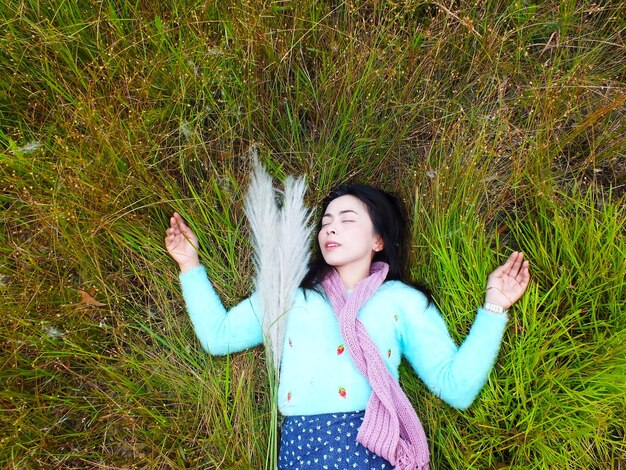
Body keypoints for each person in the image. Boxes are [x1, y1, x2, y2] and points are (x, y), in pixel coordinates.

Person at [165, 184, 530, 469]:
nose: (331, 228)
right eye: (325, 222)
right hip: (300, 447)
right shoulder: (289, 294)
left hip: (371, 444)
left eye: (347, 219)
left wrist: (494, 307)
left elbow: (457, 388)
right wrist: (189, 264)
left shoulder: (399, 301)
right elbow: (218, 336)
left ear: (378, 239)